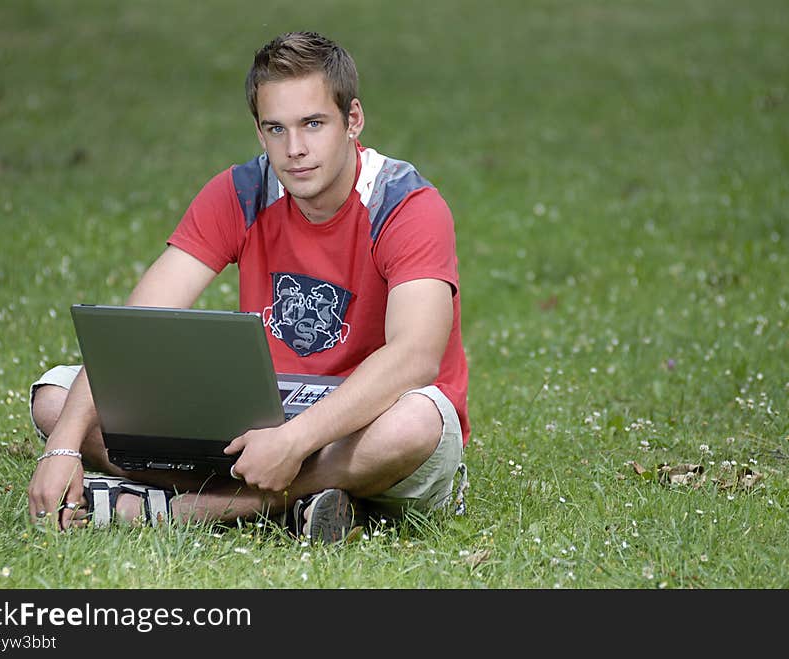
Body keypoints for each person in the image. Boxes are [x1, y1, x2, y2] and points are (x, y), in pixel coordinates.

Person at [26, 31, 470, 543]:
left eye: (313, 124)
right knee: (57, 397)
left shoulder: (406, 204)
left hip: (366, 417)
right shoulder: (241, 191)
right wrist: (60, 448)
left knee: (416, 422)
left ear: (353, 121)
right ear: (259, 134)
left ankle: (188, 508)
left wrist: (295, 439)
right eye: (276, 129)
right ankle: (304, 501)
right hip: (266, 412)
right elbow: (135, 330)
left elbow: (415, 356)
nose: (295, 149)